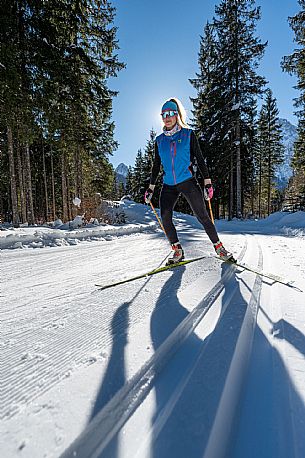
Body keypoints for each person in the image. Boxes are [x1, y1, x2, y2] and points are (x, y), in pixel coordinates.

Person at [144, 97, 234, 265]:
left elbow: (200, 159)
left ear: (177, 115)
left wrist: (207, 182)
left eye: (170, 113)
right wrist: (151, 188)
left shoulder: (188, 134)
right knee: (165, 216)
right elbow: (156, 165)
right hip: (168, 184)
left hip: (187, 180)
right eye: (163, 114)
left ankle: (219, 248)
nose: (167, 117)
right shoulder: (159, 141)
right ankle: (177, 250)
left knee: (202, 216)